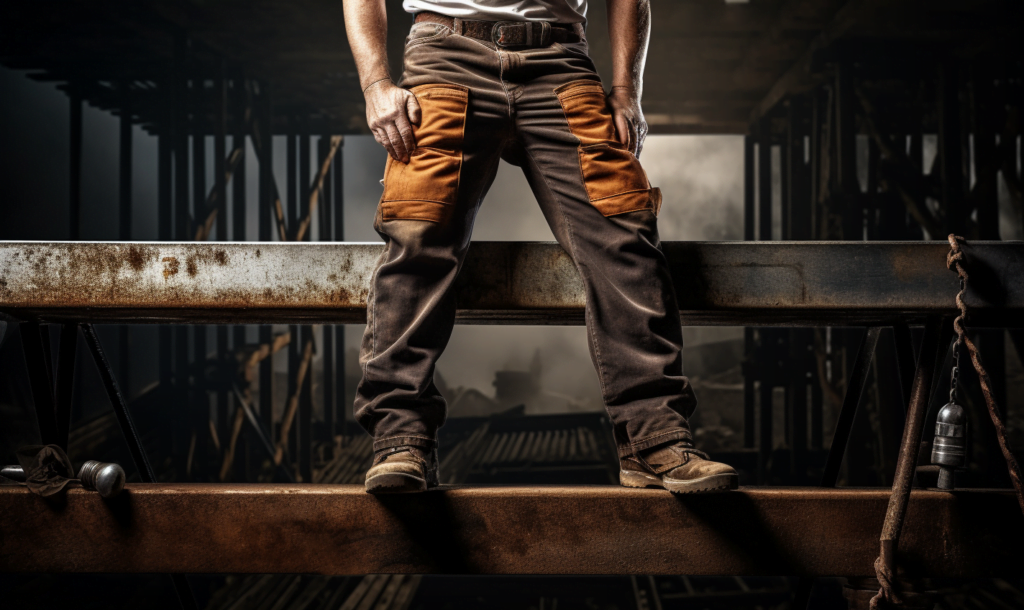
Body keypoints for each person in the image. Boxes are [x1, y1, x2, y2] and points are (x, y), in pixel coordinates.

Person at [342, 0, 738, 494]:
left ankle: (654, 438)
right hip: (446, 57)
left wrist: (625, 91)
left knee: (625, 234)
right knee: (418, 235)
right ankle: (399, 439)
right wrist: (376, 84)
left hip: (560, 62)